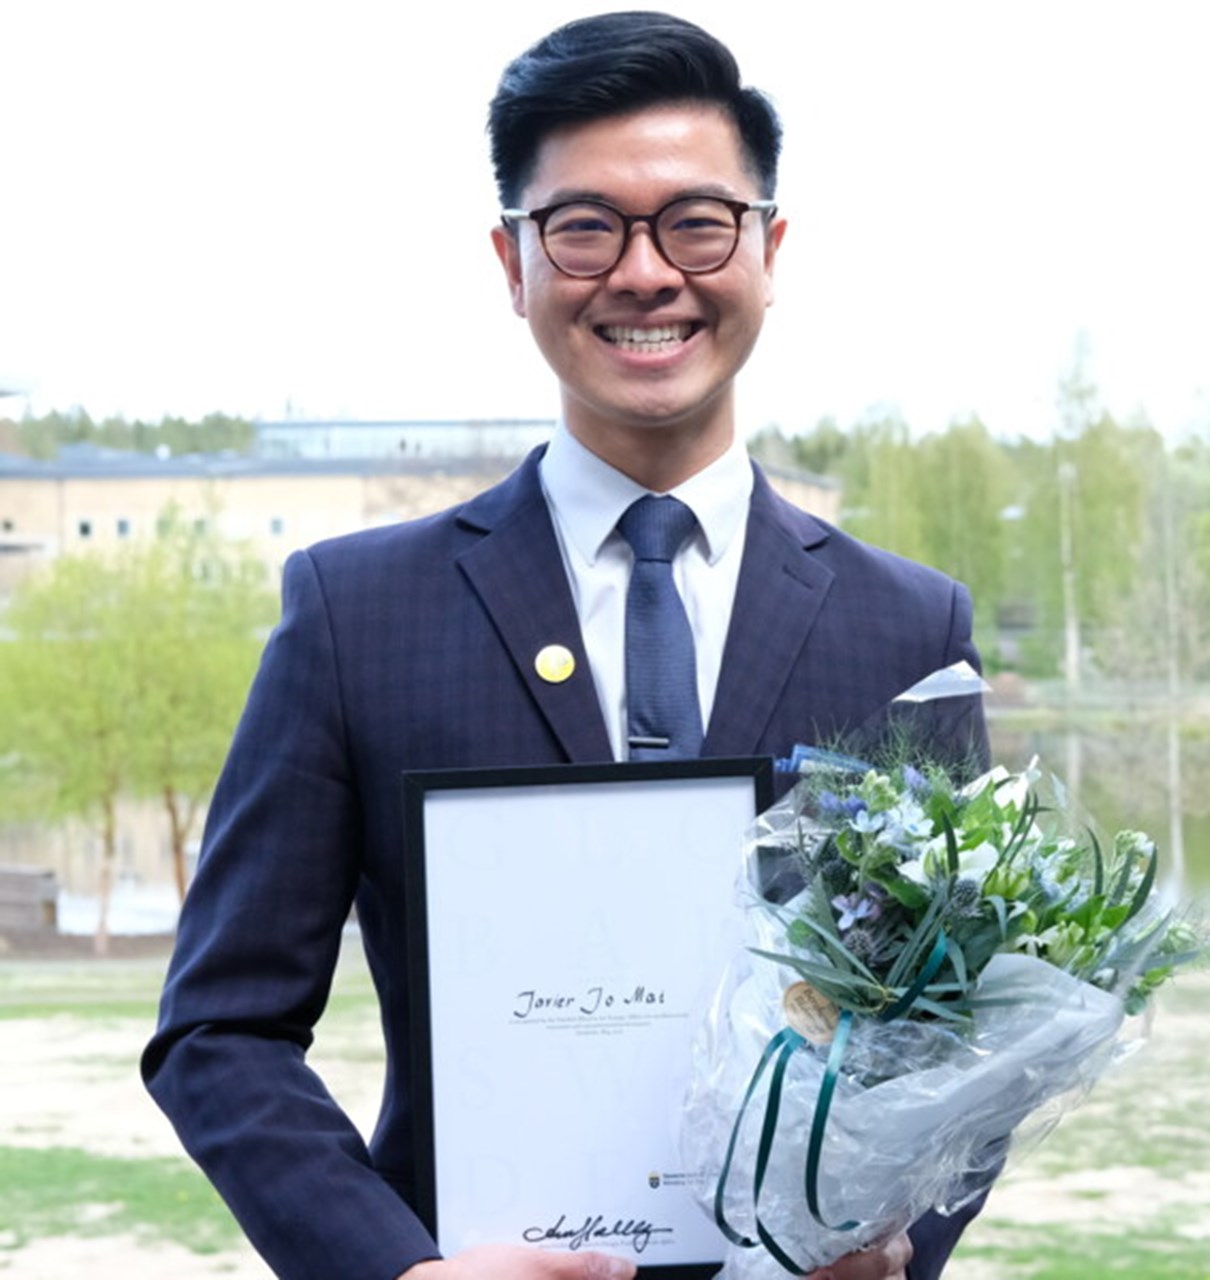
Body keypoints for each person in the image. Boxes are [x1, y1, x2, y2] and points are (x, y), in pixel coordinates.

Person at [142, 12, 989, 1280]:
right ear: (511, 260)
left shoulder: (905, 627)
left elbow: (975, 1026)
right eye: (584, 226)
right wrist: (399, 1270)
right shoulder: (353, 613)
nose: (646, 273)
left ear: (767, 246)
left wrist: (892, 1247)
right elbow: (220, 1029)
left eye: (697, 221)